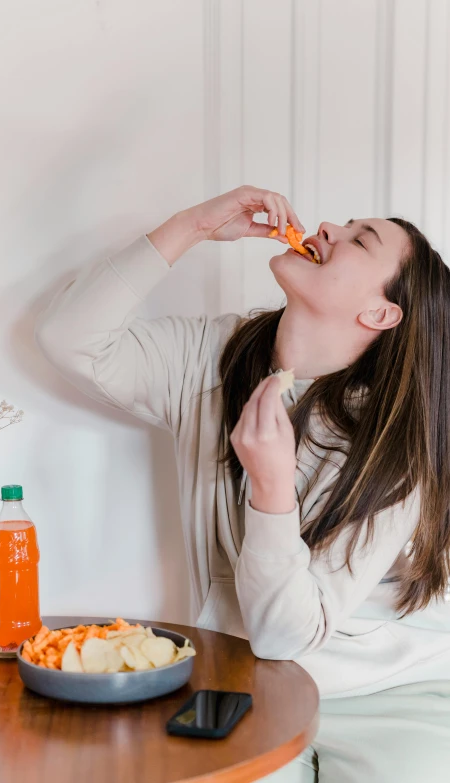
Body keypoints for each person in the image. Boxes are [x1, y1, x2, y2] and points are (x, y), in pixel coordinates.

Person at [35, 186, 450, 781]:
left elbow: (288, 635)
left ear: (380, 314)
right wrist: (190, 227)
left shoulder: (397, 445)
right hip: (247, 686)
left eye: (360, 239)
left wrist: (272, 490)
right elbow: (67, 338)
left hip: (393, 696)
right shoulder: (210, 358)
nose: (328, 226)